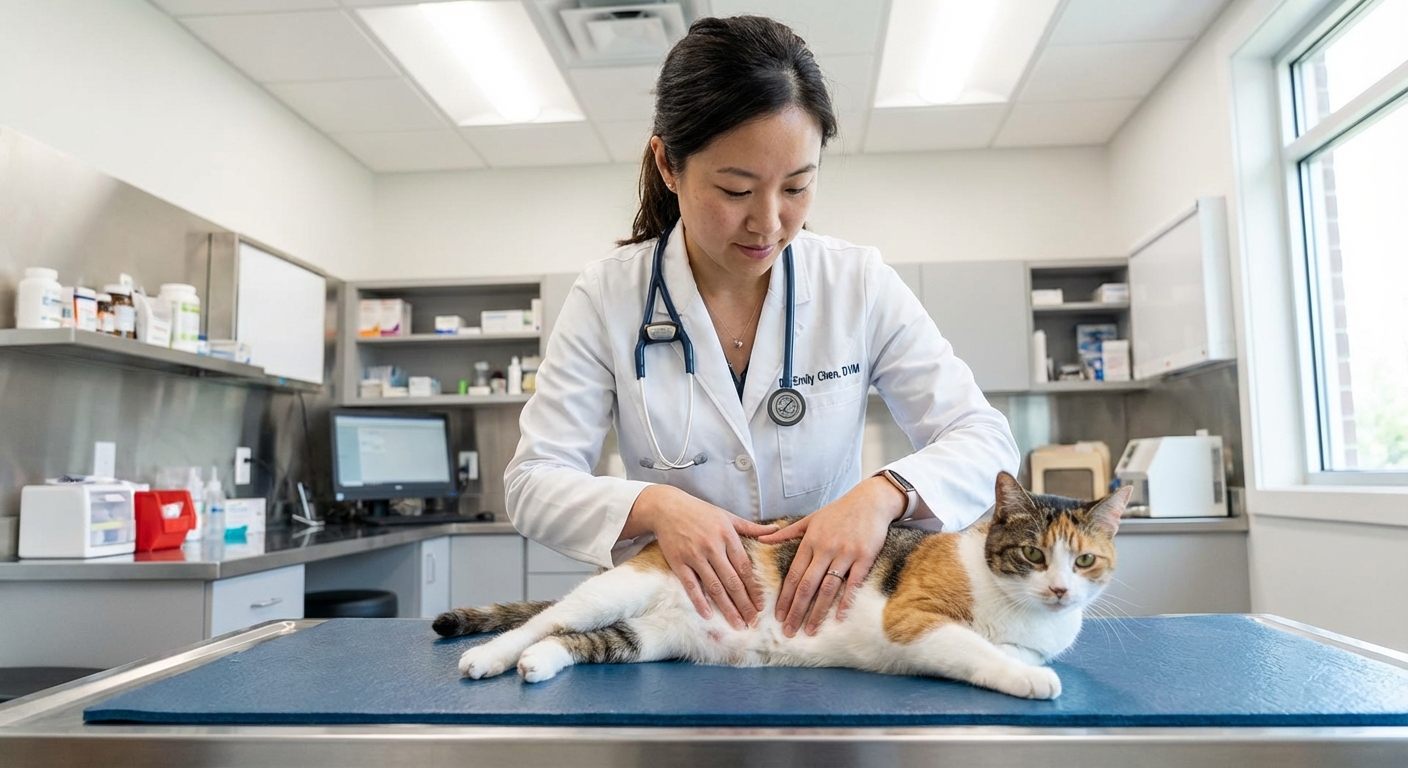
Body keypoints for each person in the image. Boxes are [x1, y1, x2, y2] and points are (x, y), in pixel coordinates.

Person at [505, 15, 1019, 641]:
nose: (769, 223)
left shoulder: (856, 283)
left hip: (827, 625)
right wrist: (654, 506)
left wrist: (886, 493)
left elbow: (983, 437)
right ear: (668, 165)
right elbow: (534, 482)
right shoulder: (609, 297)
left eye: (798, 186)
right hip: (678, 624)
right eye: (735, 189)